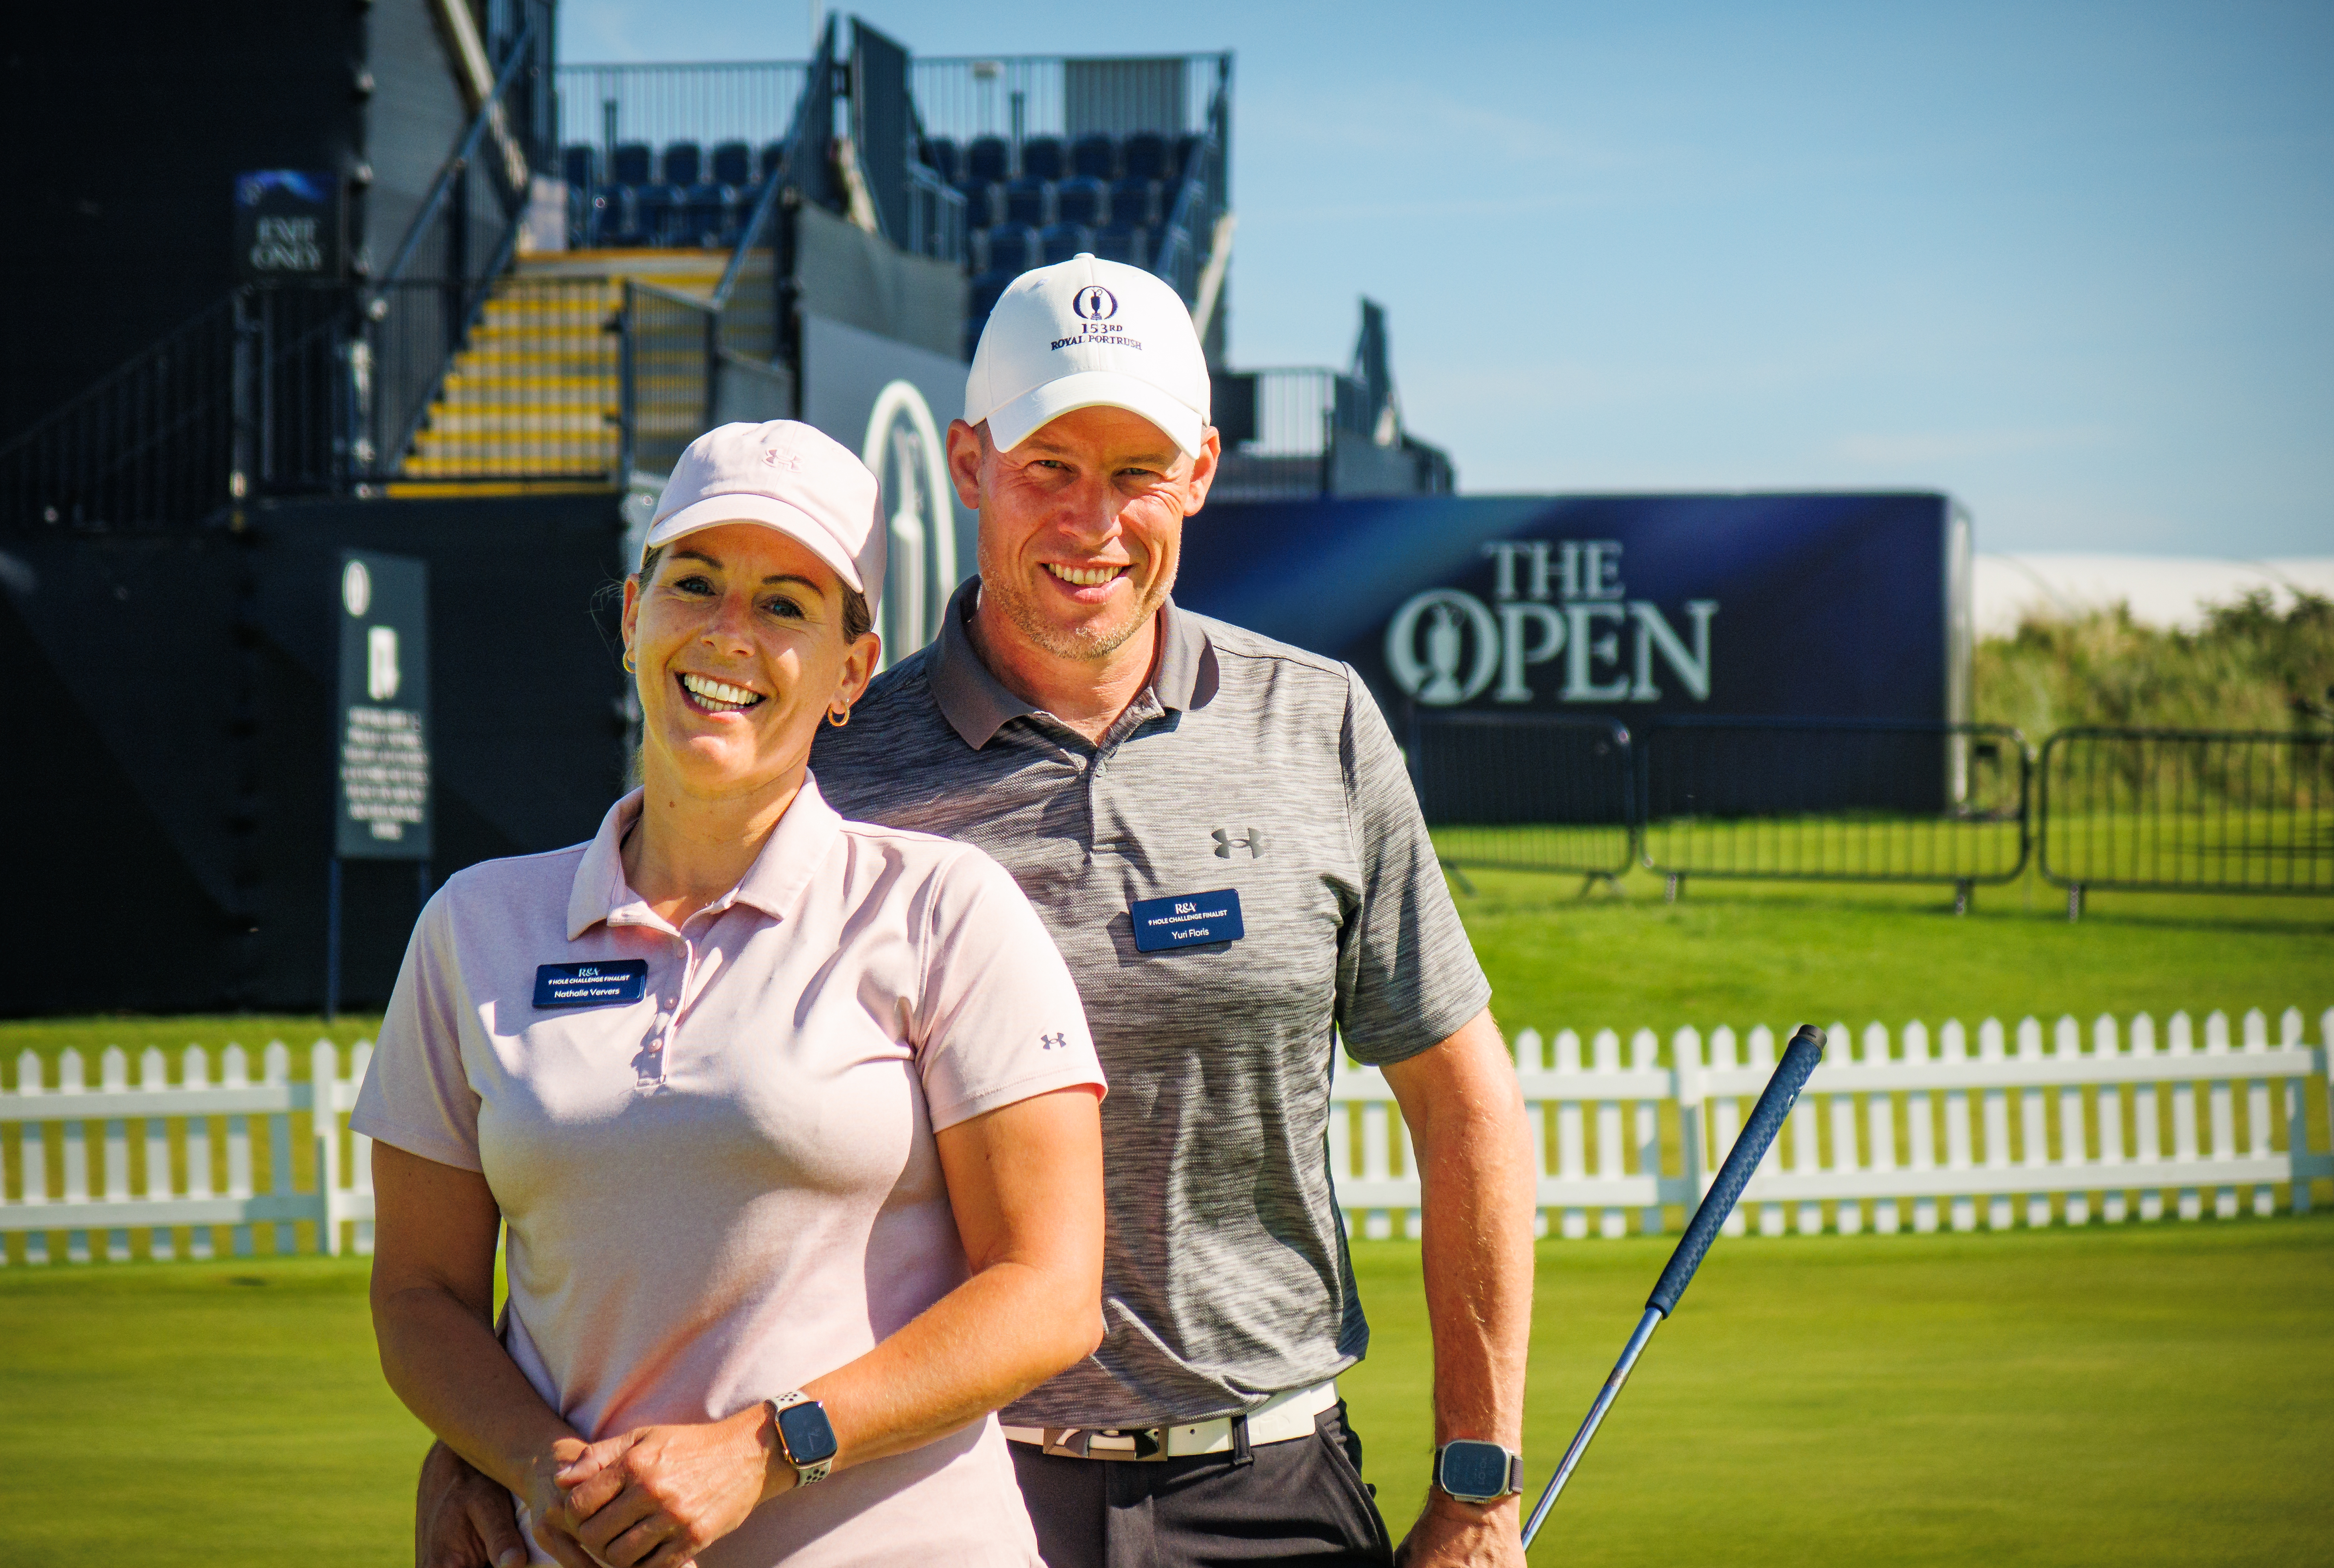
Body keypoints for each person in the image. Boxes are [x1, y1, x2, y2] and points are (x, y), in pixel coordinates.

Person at [422, 254, 1535, 1568]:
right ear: (966, 462)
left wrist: (1477, 1481)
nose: (1093, 520)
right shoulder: (822, 739)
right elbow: (646, 1121)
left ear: (1202, 473)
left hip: (1268, 1480)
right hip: (926, 1491)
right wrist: (480, 1443)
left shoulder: (1320, 723)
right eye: (1048, 465)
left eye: (1136, 472)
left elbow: (1461, 1101)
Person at [360, 419, 1111, 1568]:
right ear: (631, 616)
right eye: (695, 583)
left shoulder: (944, 908)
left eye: (785, 605)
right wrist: (526, 1462)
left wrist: (764, 1447)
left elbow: (1050, 1293)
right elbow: (419, 1297)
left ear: (852, 671)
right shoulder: (474, 925)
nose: (728, 633)